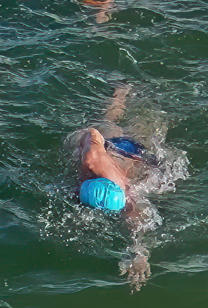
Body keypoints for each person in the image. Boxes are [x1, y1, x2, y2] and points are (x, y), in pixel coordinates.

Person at [66, 82, 169, 288]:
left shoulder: (96, 163)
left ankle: (130, 93)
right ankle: (121, 93)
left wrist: (140, 255)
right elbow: (92, 133)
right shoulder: (91, 160)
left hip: (125, 152)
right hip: (121, 156)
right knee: (108, 123)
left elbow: (137, 228)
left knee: (131, 126)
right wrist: (78, 139)